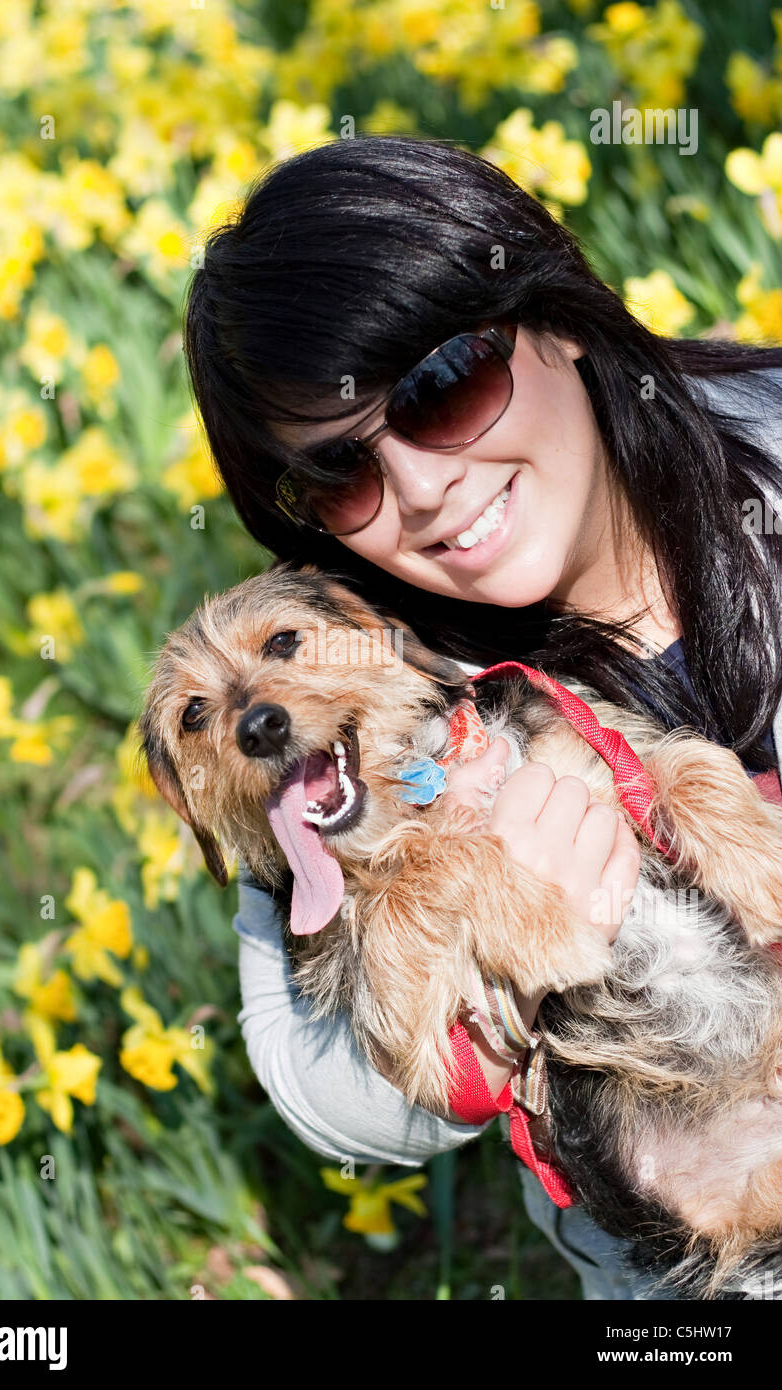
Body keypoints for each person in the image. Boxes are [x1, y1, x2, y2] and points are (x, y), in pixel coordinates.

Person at [181, 134, 782, 1298]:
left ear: (555, 317)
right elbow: (320, 1087)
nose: (417, 490)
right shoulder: (339, 670)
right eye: (340, 473)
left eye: (440, 387)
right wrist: (474, 995)